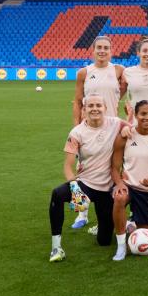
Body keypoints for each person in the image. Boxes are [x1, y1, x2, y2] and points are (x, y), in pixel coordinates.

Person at [48, 94, 129, 262]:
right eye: (90, 106)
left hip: (107, 188)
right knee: (57, 194)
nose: (94, 108)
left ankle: (105, 227)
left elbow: (140, 130)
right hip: (85, 183)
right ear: (84, 110)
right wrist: (75, 189)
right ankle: (56, 247)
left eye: (98, 105)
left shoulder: (115, 123)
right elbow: (68, 166)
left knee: (104, 241)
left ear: (105, 109)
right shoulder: (77, 132)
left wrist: (129, 127)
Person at [69, 36, 127, 229]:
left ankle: (109, 214)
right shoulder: (84, 72)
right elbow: (78, 101)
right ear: (92, 50)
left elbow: (126, 89)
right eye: (99, 47)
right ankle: (81, 213)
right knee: (82, 169)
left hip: (112, 129)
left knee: (114, 169)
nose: (102, 51)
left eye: (106, 48)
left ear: (112, 51)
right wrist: (76, 128)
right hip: (89, 129)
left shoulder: (119, 70)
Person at [110, 101, 148, 261]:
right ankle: (121, 245)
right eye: (143, 114)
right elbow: (114, 168)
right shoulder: (125, 136)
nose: (147, 117)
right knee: (120, 197)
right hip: (129, 186)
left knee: (146, 231)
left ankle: (132, 224)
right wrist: (120, 184)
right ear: (136, 115)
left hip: (147, 190)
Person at [123, 37, 148, 128]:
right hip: (134, 123)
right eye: (144, 51)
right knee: (128, 141)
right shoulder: (128, 72)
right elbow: (118, 94)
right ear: (138, 53)